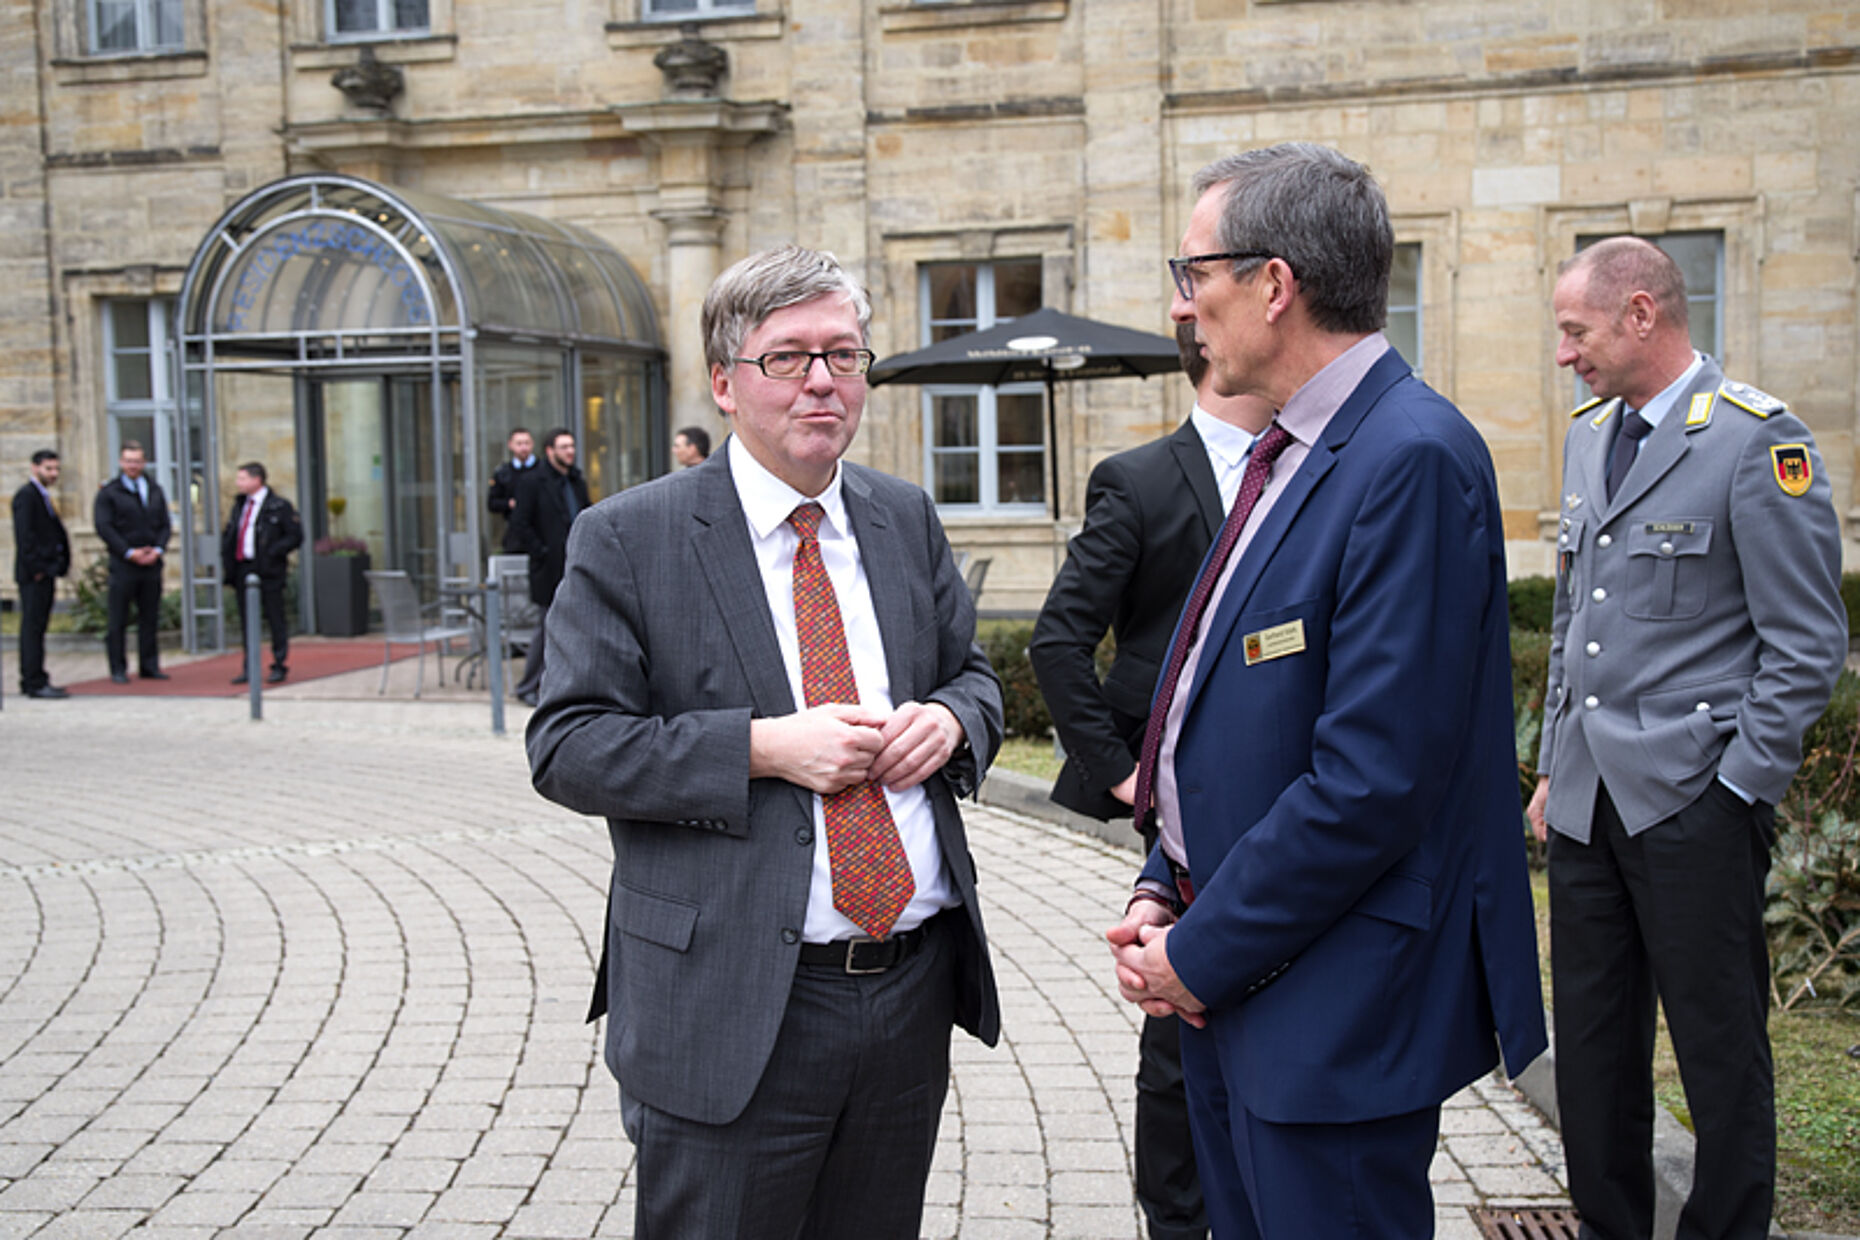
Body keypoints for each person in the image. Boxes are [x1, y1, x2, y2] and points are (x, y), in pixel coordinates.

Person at [1106, 143, 1546, 1239]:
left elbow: (1373, 778)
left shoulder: (1411, 456)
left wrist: (1196, 957)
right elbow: (1223, 698)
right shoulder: (1295, 445)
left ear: (1273, 283)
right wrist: (1168, 879)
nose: (1182, 304)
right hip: (1242, 967)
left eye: (1193, 273)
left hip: (1332, 999)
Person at [527, 244, 1003, 1240]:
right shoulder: (630, 537)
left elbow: (976, 677)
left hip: (907, 987)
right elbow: (568, 743)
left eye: (844, 354)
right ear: (725, 382)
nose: (822, 380)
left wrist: (952, 719)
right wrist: (762, 749)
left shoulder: (904, 518)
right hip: (734, 1002)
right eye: (788, 357)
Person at [1529, 237, 1846, 1240]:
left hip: (1693, 803)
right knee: (1591, 1054)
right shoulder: (1589, 435)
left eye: (1575, 332)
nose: (1565, 354)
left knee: (1719, 1056)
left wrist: (1739, 790)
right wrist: (1549, 769)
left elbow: (1806, 643)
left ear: (1639, 314)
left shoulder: (1757, 441)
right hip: (1586, 804)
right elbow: (1574, 615)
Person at [1030, 322, 1273, 1240]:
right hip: (1181, 804)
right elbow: (1059, 640)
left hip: (1284, 788)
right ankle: (1176, 1216)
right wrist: (1127, 775)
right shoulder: (1136, 480)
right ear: (1217, 350)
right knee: (1178, 1011)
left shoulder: (1309, 467)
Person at [508, 427, 589, 707]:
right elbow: (519, 523)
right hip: (549, 568)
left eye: (572, 446)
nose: (570, 452)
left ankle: (569, 686)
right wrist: (541, 551)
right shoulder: (533, 482)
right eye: (564, 447)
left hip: (577, 564)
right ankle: (528, 686)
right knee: (546, 628)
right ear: (550, 451)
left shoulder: (576, 480)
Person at [93, 441, 171, 685]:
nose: (133, 466)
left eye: (137, 461)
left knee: (149, 616)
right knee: (118, 618)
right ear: (121, 462)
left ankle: (149, 665)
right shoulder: (109, 493)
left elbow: (164, 523)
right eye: (128, 461)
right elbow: (105, 527)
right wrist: (128, 552)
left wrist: (157, 549)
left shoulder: (154, 488)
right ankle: (118, 668)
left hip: (151, 563)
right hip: (124, 563)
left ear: (144, 462)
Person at [220, 461, 303, 684]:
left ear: (257, 480)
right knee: (247, 620)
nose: (238, 483)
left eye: (242, 479)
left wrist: (273, 552)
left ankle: (279, 663)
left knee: (275, 617)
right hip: (242, 568)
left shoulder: (278, 506)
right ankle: (249, 666)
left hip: (269, 569)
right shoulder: (239, 505)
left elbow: (294, 536)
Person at [12, 449, 72, 699]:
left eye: (56, 469)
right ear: (35, 468)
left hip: (45, 571)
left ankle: (36, 677)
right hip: (35, 574)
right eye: (49, 469)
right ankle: (33, 681)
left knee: (38, 626)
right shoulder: (27, 496)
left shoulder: (42, 496)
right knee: (33, 627)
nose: (54, 473)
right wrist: (38, 568)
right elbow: (25, 537)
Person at [487, 427, 537, 552]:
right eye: (519, 443)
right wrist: (510, 504)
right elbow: (492, 503)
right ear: (510, 445)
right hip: (514, 534)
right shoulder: (503, 472)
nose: (524, 447)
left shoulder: (541, 470)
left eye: (527, 443)